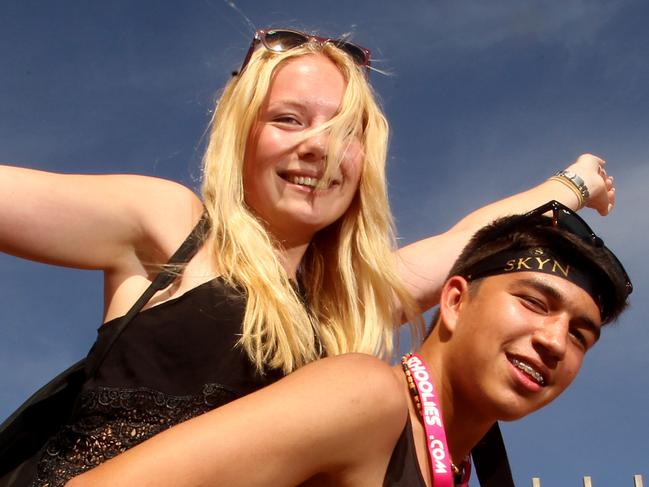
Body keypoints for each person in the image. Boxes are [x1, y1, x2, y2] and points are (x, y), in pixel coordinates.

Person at [0, 28, 615, 485]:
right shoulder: (170, 226)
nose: (318, 150)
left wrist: (573, 184)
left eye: (345, 134)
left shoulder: (342, 305)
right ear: (242, 135)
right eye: (289, 120)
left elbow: (473, 238)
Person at [66, 200, 632, 487]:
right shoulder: (365, 397)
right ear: (455, 302)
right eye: (534, 303)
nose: (556, 341)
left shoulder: (450, 466)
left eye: (582, 334)